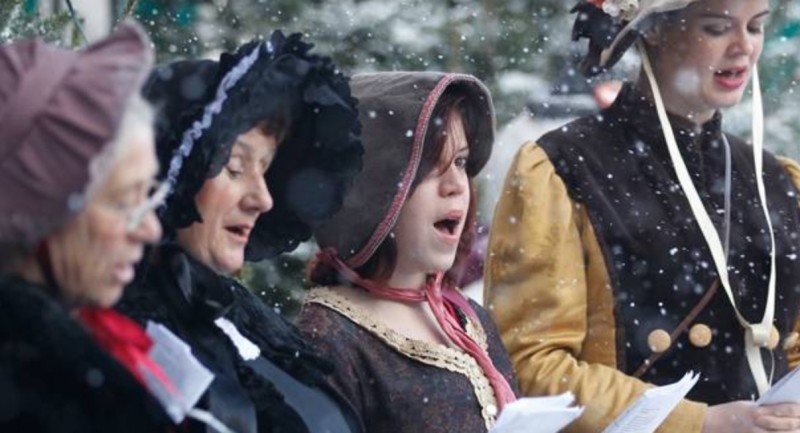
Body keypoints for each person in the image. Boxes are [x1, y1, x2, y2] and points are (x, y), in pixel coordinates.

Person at [485, 0, 800, 432]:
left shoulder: (776, 179)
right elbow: (531, 366)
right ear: (653, 30)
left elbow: (792, 349)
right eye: (716, 28)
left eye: (756, 27)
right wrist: (697, 423)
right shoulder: (564, 168)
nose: (743, 47)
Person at [116, 31, 364, 433]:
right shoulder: (126, 333)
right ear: (168, 173)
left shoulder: (242, 319)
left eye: (265, 169)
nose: (263, 199)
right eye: (234, 167)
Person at [297, 71, 518, 433]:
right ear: (373, 192)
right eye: (430, 167)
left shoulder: (465, 317)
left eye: (461, 162)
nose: (455, 186)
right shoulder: (329, 339)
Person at [0, 23, 173, 432]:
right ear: (39, 209)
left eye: (148, 195)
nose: (149, 229)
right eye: (123, 201)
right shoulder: (51, 394)